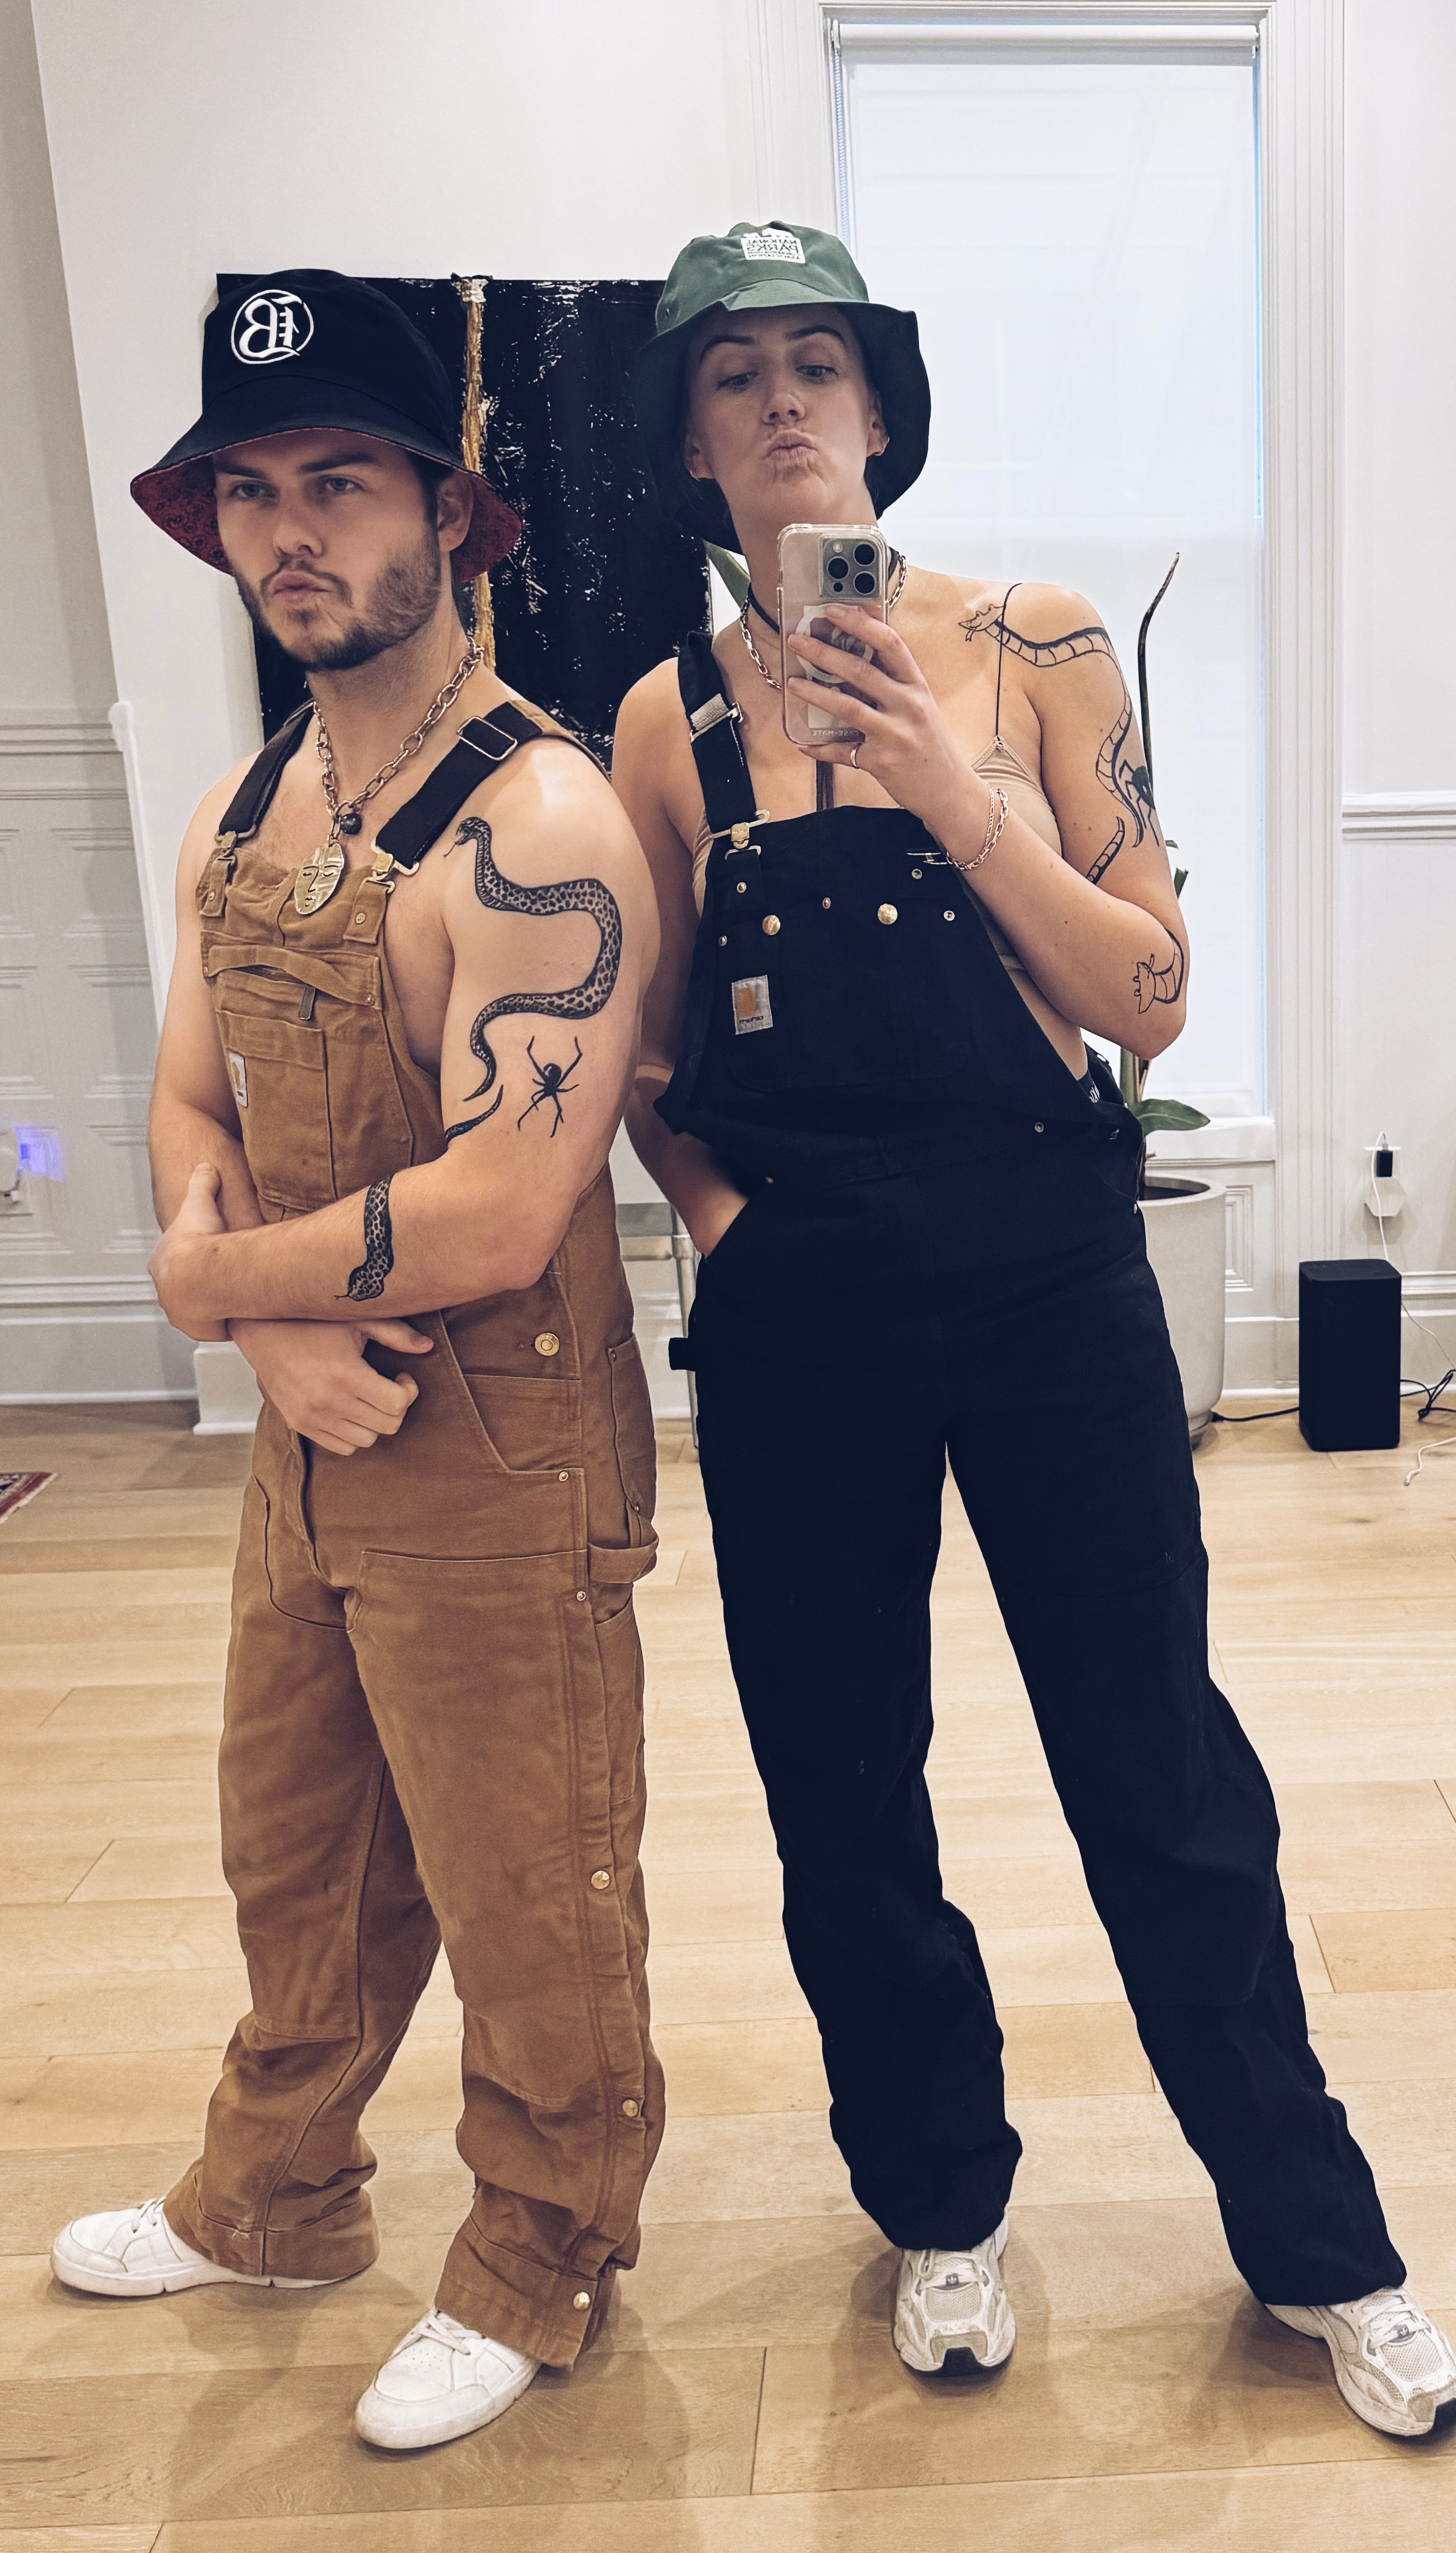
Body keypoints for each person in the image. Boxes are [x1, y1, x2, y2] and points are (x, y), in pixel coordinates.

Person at [612, 218, 1456, 2439]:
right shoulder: (665, 719)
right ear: (692, 443)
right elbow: (648, 1044)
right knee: (839, 1783)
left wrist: (943, 783)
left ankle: (1321, 2241)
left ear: (882, 409)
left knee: (1155, 1765)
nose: (782, 403)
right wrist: (724, 1227)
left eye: (818, 363)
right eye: (734, 377)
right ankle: (940, 2202)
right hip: (800, 1309)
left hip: (1046, 1269)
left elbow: (1146, 994)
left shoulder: (1038, 644)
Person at [49, 269, 663, 2453]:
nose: (290, 530)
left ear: (451, 514)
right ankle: (279, 2193)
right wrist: (270, 1320)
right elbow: (185, 1098)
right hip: (307, 1440)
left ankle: (540, 2251)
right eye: (251, 490)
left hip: (497, 1441)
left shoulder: (542, 823)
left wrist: (216, 1291)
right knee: (293, 1849)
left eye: (340, 482)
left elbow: (503, 1202)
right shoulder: (243, 806)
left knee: (527, 1880)